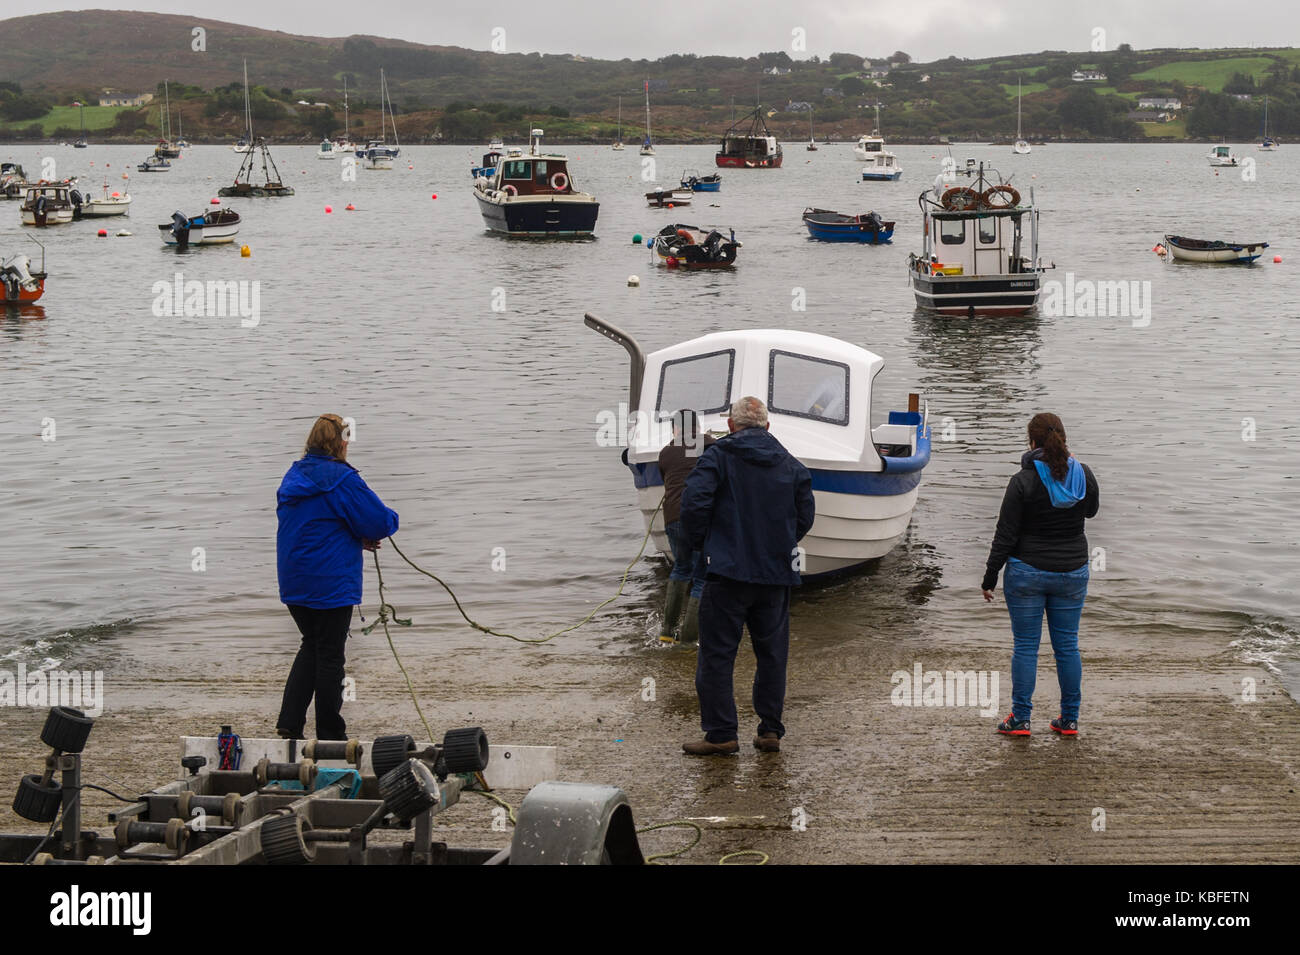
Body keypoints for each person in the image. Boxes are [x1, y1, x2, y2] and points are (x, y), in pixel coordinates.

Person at [678, 396, 815, 756]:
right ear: (767, 427)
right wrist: (780, 544)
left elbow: (693, 504)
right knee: (772, 655)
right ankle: (770, 731)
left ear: (731, 426)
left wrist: (701, 545)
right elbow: (805, 516)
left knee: (717, 656)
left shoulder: (717, 456)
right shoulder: (791, 464)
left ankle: (722, 733)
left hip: (726, 573)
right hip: (775, 574)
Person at [275, 414, 399, 740]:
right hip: (330, 582)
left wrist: (353, 537)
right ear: (340, 443)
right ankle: (331, 734)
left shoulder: (293, 475)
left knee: (311, 646)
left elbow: (317, 522)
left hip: (294, 580)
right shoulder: (343, 479)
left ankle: (290, 723)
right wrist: (375, 528)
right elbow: (379, 522)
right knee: (330, 654)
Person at [982, 412, 1099, 738]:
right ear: (1062, 438)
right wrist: (1077, 469)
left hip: (1027, 573)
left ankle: (1020, 719)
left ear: (1032, 442)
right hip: (1073, 572)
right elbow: (1091, 510)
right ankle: (1070, 719)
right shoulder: (1082, 474)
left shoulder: (1023, 480)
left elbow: (1005, 534)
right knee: (1067, 646)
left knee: (1025, 647)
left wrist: (990, 576)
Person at [657, 409, 715, 644]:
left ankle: (667, 632)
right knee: (701, 576)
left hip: (673, 518)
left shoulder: (665, 453)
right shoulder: (710, 445)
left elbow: (667, 476)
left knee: (681, 568)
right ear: (698, 428)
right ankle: (689, 640)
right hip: (700, 517)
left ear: (676, 429)